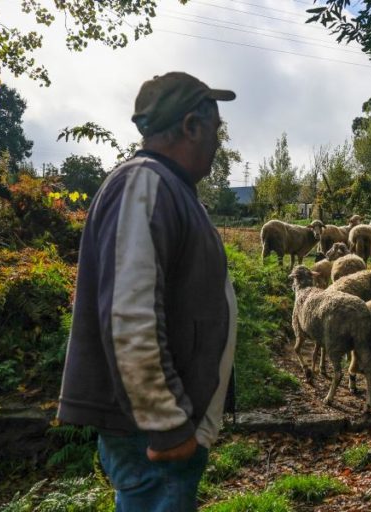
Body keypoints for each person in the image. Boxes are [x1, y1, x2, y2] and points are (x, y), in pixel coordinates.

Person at [57, 72, 238, 511]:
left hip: (167, 428)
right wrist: (166, 424)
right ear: (191, 126)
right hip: (153, 435)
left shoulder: (171, 189)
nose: (218, 144)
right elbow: (129, 313)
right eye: (214, 131)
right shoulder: (146, 183)